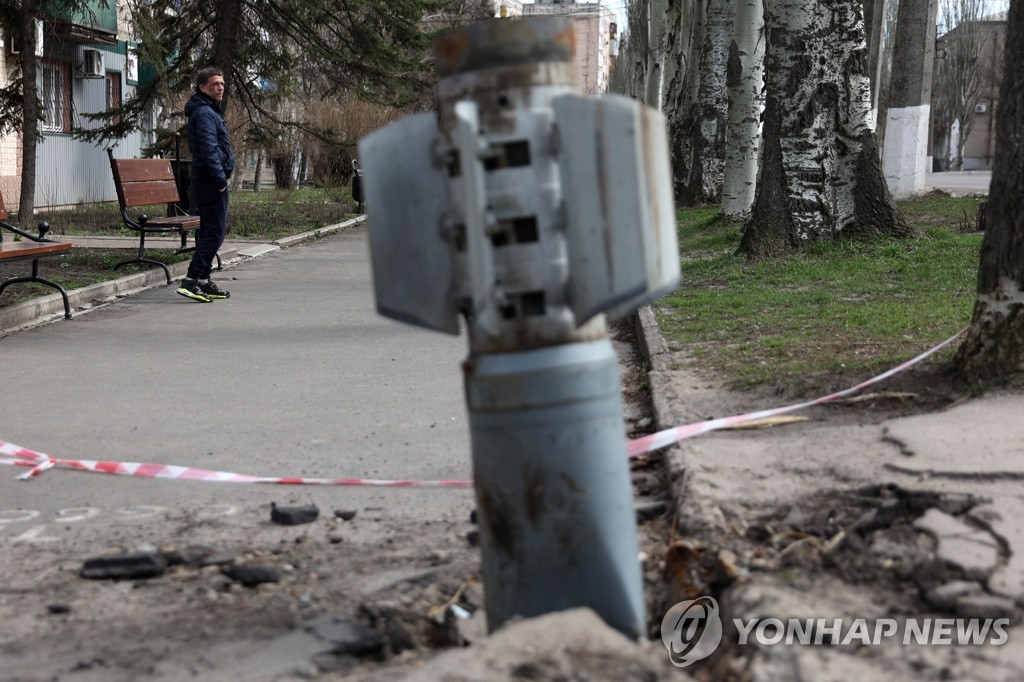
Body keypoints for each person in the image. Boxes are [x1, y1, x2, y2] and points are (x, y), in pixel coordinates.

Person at [177, 66, 235, 302]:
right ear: (202, 87)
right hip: (211, 180)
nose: (220, 87)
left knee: (210, 231)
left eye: (221, 83)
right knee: (214, 232)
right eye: (215, 84)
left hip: (210, 179)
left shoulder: (209, 111)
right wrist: (220, 179)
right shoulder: (203, 114)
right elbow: (209, 149)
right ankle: (191, 280)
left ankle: (203, 280)